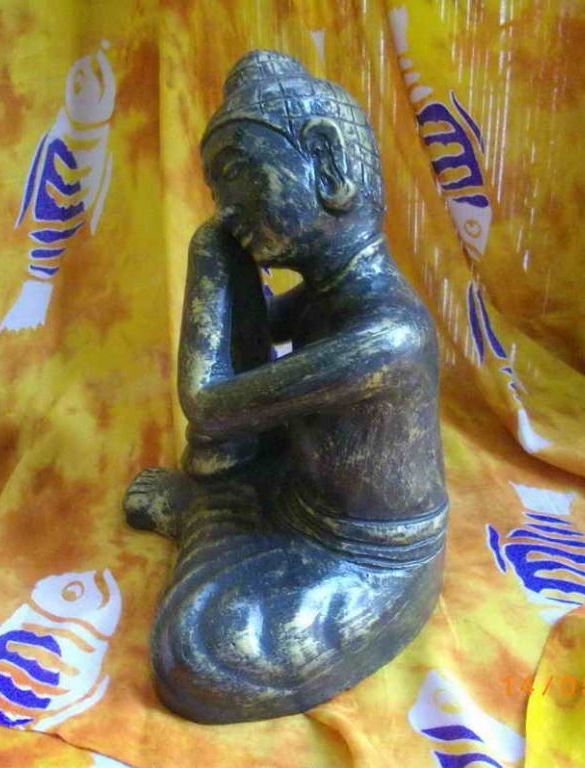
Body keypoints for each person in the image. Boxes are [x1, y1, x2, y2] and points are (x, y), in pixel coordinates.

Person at [124, 50, 449, 724]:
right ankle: (222, 514)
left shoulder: (389, 336)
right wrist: (232, 270)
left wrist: (210, 254)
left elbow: (209, 404)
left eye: (236, 176)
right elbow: (248, 336)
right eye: (216, 191)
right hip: (298, 493)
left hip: (369, 558)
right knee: (229, 471)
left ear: (328, 164)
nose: (226, 210)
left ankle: (207, 518)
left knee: (203, 651)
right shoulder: (328, 296)